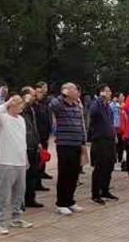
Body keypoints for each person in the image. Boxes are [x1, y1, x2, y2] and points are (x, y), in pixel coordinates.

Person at [0, 95, 33, 234]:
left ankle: (16, 218)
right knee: (3, 194)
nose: (22, 106)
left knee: (19, 193)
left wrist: (25, 158)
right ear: (12, 105)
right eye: (19, 103)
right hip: (7, 162)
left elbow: (22, 140)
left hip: (20, 162)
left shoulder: (21, 119)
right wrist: (8, 102)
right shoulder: (3, 118)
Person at [49, 83, 87, 216]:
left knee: (74, 174)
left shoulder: (77, 106)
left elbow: (81, 125)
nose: (77, 92)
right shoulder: (60, 105)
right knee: (64, 174)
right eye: (75, 89)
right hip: (64, 145)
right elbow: (52, 105)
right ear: (67, 91)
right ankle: (61, 203)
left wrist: (83, 143)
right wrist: (62, 95)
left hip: (76, 144)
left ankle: (70, 201)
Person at [89, 85, 119, 205]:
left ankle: (105, 190)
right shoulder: (96, 104)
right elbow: (93, 111)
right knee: (100, 167)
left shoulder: (108, 107)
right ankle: (95, 194)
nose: (109, 93)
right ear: (101, 93)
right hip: (100, 140)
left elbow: (111, 123)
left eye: (110, 91)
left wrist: (114, 135)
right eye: (107, 91)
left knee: (109, 165)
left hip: (110, 139)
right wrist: (101, 99)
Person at [20, 87, 44, 209]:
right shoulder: (20, 109)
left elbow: (34, 127)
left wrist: (38, 142)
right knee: (22, 176)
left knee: (32, 174)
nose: (34, 98)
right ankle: (20, 201)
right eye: (32, 95)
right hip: (24, 146)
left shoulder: (32, 109)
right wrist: (24, 102)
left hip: (33, 145)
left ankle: (30, 198)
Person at [33, 82, 52, 184]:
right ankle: (37, 181)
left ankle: (40, 176)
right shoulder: (33, 107)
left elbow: (47, 119)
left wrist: (49, 133)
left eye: (41, 92)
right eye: (39, 92)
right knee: (37, 159)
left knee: (43, 156)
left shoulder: (43, 104)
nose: (41, 94)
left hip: (45, 134)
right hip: (37, 136)